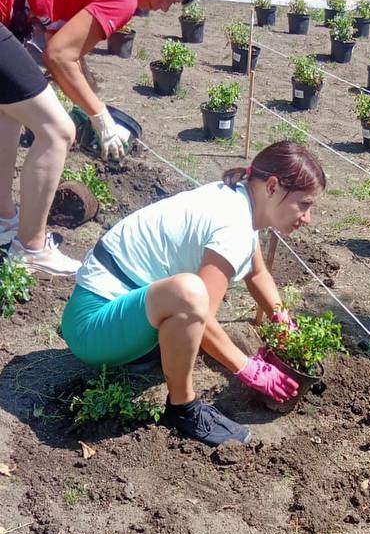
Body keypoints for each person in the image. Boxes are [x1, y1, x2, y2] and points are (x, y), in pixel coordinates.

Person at [61, 141, 326, 447]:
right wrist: (248, 368)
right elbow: (203, 318)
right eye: (304, 204)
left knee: (190, 300)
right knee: (190, 295)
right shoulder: (234, 225)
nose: (308, 218)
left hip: (118, 308)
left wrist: (284, 326)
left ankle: (145, 353)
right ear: (272, 187)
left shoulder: (238, 200)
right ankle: (183, 408)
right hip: (91, 329)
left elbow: (257, 273)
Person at [0, 0, 215, 276]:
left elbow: (62, 44)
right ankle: (31, 248)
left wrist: (88, 94)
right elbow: (58, 57)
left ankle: (4, 219)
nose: (162, 7)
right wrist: (100, 117)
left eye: (172, 4)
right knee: (58, 131)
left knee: (8, 110)